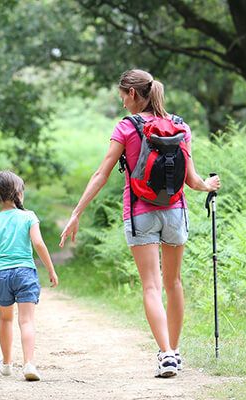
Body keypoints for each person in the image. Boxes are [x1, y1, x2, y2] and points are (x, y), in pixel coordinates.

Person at [59, 69, 221, 378]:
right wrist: (208, 185)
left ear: (133, 94)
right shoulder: (180, 127)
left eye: (122, 96)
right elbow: (191, 179)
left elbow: (102, 174)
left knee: (151, 284)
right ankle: (174, 351)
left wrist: (76, 212)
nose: (122, 103)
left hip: (140, 212)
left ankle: (167, 354)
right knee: (174, 283)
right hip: (176, 212)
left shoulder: (126, 128)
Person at [0, 171, 59, 381]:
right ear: (19, 194)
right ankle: (28, 363)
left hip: (1, 275)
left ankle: (7, 363)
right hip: (25, 273)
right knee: (26, 321)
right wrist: (51, 269)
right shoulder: (29, 217)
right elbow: (38, 243)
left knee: (5, 319)